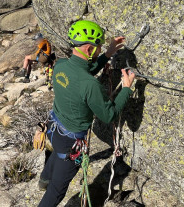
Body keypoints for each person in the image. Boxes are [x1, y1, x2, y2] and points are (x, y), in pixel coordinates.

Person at [38, 20, 135, 206]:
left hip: (53, 126)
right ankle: (47, 188)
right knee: (56, 192)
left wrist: (108, 54)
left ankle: (44, 180)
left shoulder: (61, 65)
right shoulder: (90, 85)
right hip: (71, 141)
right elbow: (109, 115)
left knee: (56, 154)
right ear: (90, 50)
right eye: (98, 47)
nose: (100, 49)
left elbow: (83, 70)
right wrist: (127, 89)